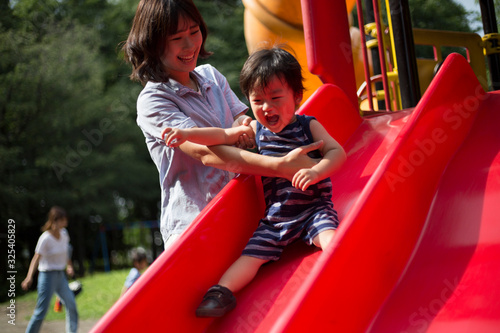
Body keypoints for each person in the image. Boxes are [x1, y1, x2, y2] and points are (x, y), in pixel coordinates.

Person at [162, 46, 347, 317]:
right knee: (251, 255)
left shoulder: (308, 126)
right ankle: (221, 292)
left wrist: (317, 171)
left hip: (312, 209)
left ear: (296, 96)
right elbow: (221, 135)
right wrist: (186, 133)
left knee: (328, 236)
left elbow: (337, 152)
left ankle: (343, 266)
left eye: (275, 98)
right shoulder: (254, 130)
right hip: (276, 219)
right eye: (258, 101)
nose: (267, 108)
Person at [123, 0, 322, 248]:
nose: (190, 45)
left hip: (241, 208)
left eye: (194, 32)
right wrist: (279, 166)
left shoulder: (210, 76)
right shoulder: (154, 100)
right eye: (177, 38)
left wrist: (247, 125)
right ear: (153, 43)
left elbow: (239, 117)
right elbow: (204, 152)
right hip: (194, 224)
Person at [21, 206, 79, 333]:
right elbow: (36, 258)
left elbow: (66, 252)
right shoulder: (45, 238)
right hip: (47, 276)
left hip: (60, 276)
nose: (66, 223)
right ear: (55, 221)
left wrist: (69, 266)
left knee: (71, 305)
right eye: (63, 220)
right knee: (41, 311)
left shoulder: (64, 234)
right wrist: (29, 277)